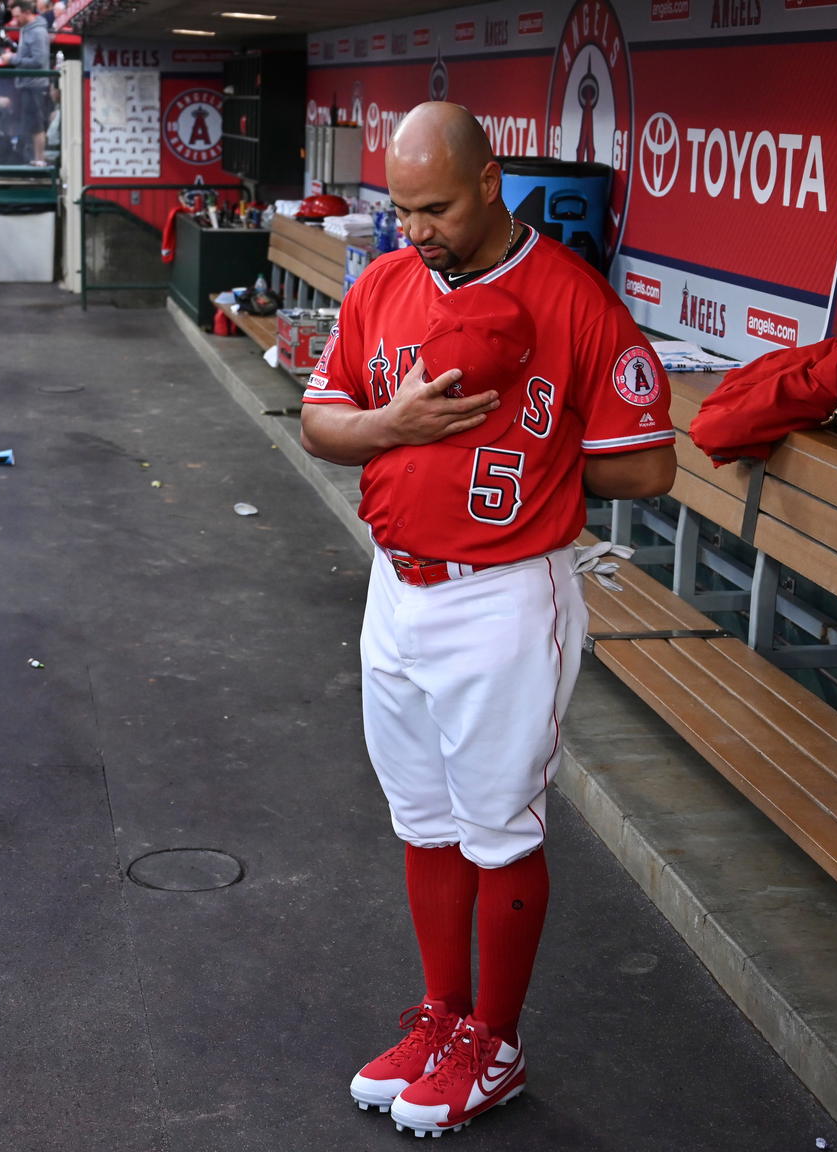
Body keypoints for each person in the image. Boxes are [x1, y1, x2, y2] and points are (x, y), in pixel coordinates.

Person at [299, 102, 676, 1138]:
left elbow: (647, 463)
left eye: (434, 208)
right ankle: (440, 1015)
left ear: (491, 182)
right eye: (400, 206)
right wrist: (395, 425)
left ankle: (494, 1043)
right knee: (421, 817)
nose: (412, 228)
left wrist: (553, 445)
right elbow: (320, 423)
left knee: (497, 826)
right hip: (395, 584)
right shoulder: (380, 282)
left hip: (506, 591)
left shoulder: (572, 297)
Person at [0, 0, 49, 164]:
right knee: (28, 125)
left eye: (18, 16)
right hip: (26, 84)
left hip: (35, 84)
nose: (15, 20)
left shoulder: (37, 32)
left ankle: (39, 161)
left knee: (36, 125)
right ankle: (31, 160)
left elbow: (39, 61)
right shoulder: (26, 30)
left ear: (27, 12)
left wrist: (12, 59)